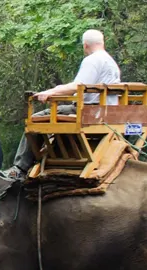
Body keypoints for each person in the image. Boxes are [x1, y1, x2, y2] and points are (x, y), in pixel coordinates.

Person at [10, 29, 123, 171]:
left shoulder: (93, 60)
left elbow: (77, 86)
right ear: (102, 43)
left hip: (90, 112)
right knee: (58, 111)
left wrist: (50, 92)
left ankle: (20, 167)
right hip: (108, 112)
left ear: (85, 45)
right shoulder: (111, 62)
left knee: (36, 119)